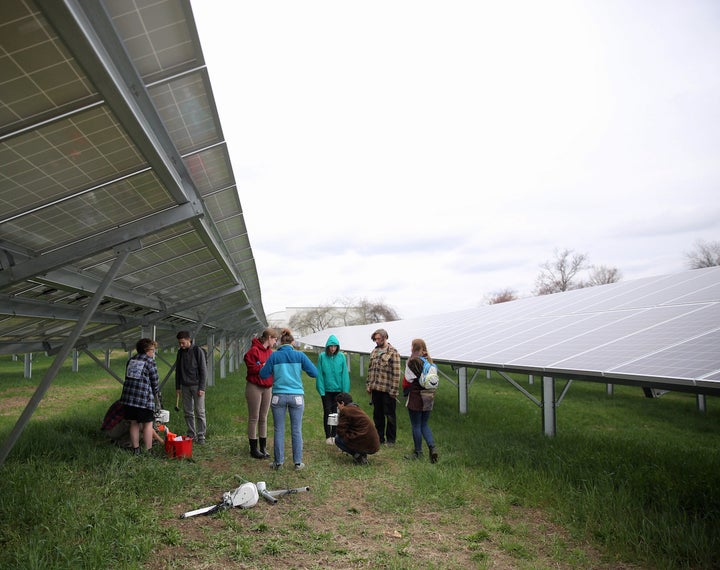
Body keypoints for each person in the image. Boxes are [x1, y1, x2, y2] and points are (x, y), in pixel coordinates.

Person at [259, 328, 318, 470]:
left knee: (279, 429)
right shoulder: (300, 355)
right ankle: (297, 463)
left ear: (280, 342)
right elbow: (314, 373)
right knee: (296, 430)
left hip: (278, 396)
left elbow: (263, 375)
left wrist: (266, 366)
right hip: (296, 397)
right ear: (292, 342)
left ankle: (278, 463)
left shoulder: (273, 356)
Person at [119, 338, 160, 455]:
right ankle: (148, 450)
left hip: (129, 399)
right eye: (152, 350)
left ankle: (135, 449)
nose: (153, 352)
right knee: (147, 424)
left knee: (134, 423)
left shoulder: (131, 360)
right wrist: (156, 393)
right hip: (143, 400)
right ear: (147, 350)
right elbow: (154, 381)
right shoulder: (150, 362)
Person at [243, 327, 278, 459]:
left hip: (267, 387)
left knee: (264, 417)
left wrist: (265, 366)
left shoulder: (270, 353)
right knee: (254, 417)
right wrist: (262, 367)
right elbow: (251, 367)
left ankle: (263, 446)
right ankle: (253, 448)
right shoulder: (253, 351)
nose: (275, 342)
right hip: (255, 387)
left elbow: (271, 368)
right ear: (269, 338)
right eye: (275, 339)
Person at [403, 339, 438, 463]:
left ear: (414, 347)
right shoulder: (430, 361)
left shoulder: (412, 361)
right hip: (429, 396)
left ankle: (418, 452)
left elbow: (408, 379)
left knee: (416, 425)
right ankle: (432, 447)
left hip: (416, 396)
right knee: (424, 424)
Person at [366, 328, 401, 446]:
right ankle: (379, 437)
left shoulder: (393, 352)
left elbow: (396, 373)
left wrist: (394, 391)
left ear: (385, 338)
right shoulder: (374, 351)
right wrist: (368, 385)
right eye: (375, 339)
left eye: (378, 339)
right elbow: (370, 369)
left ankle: (391, 440)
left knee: (390, 415)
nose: (376, 341)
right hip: (376, 389)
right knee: (377, 415)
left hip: (387, 391)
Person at [315, 334, 350, 444]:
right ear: (327, 346)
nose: (333, 348)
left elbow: (344, 374)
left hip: (338, 390)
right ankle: (327, 436)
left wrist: (345, 391)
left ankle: (334, 436)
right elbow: (319, 374)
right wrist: (321, 390)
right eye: (331, 346)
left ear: (337, 347)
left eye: (335, 346)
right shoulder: (322, 357)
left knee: (336, 413)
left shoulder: (341, 357)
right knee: (327, 412)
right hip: (326, 391)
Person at [175, 331, 208, 444]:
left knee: (200, 411)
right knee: (188, 412)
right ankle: (191, 434)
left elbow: (203, 370)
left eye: (183, 343)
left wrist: (202, 387)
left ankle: (201, 436)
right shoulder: (180, 353)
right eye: (179, 343)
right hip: (184, 386)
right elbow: (178, 370)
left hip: (197, 385)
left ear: (189, 340)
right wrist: (177, 386)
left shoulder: (197, 351)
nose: (181, 345)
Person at [334, 392, 380, 465]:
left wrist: (338, 419)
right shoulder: (356, 408)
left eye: (338, 405)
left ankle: (358, 456)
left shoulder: (345, 410)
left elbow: (340, 431)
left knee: (338, 439)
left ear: (342, 403)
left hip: (364, 441)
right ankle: (361, 454)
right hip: (373, 443)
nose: (338, 407)